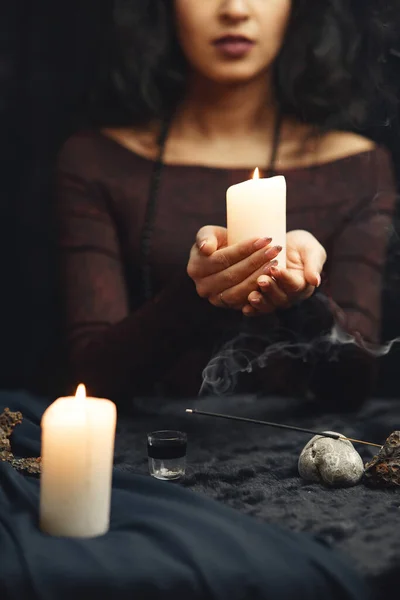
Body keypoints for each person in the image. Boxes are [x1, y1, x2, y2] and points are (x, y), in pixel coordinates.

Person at [55, 0, 398, 405]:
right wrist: (200, 290)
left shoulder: (357, 167)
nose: (235, 9)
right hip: (152, 453)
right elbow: (90, 384)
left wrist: (303, 296)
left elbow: (353, 384)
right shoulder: (98, 161)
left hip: (301, 457)